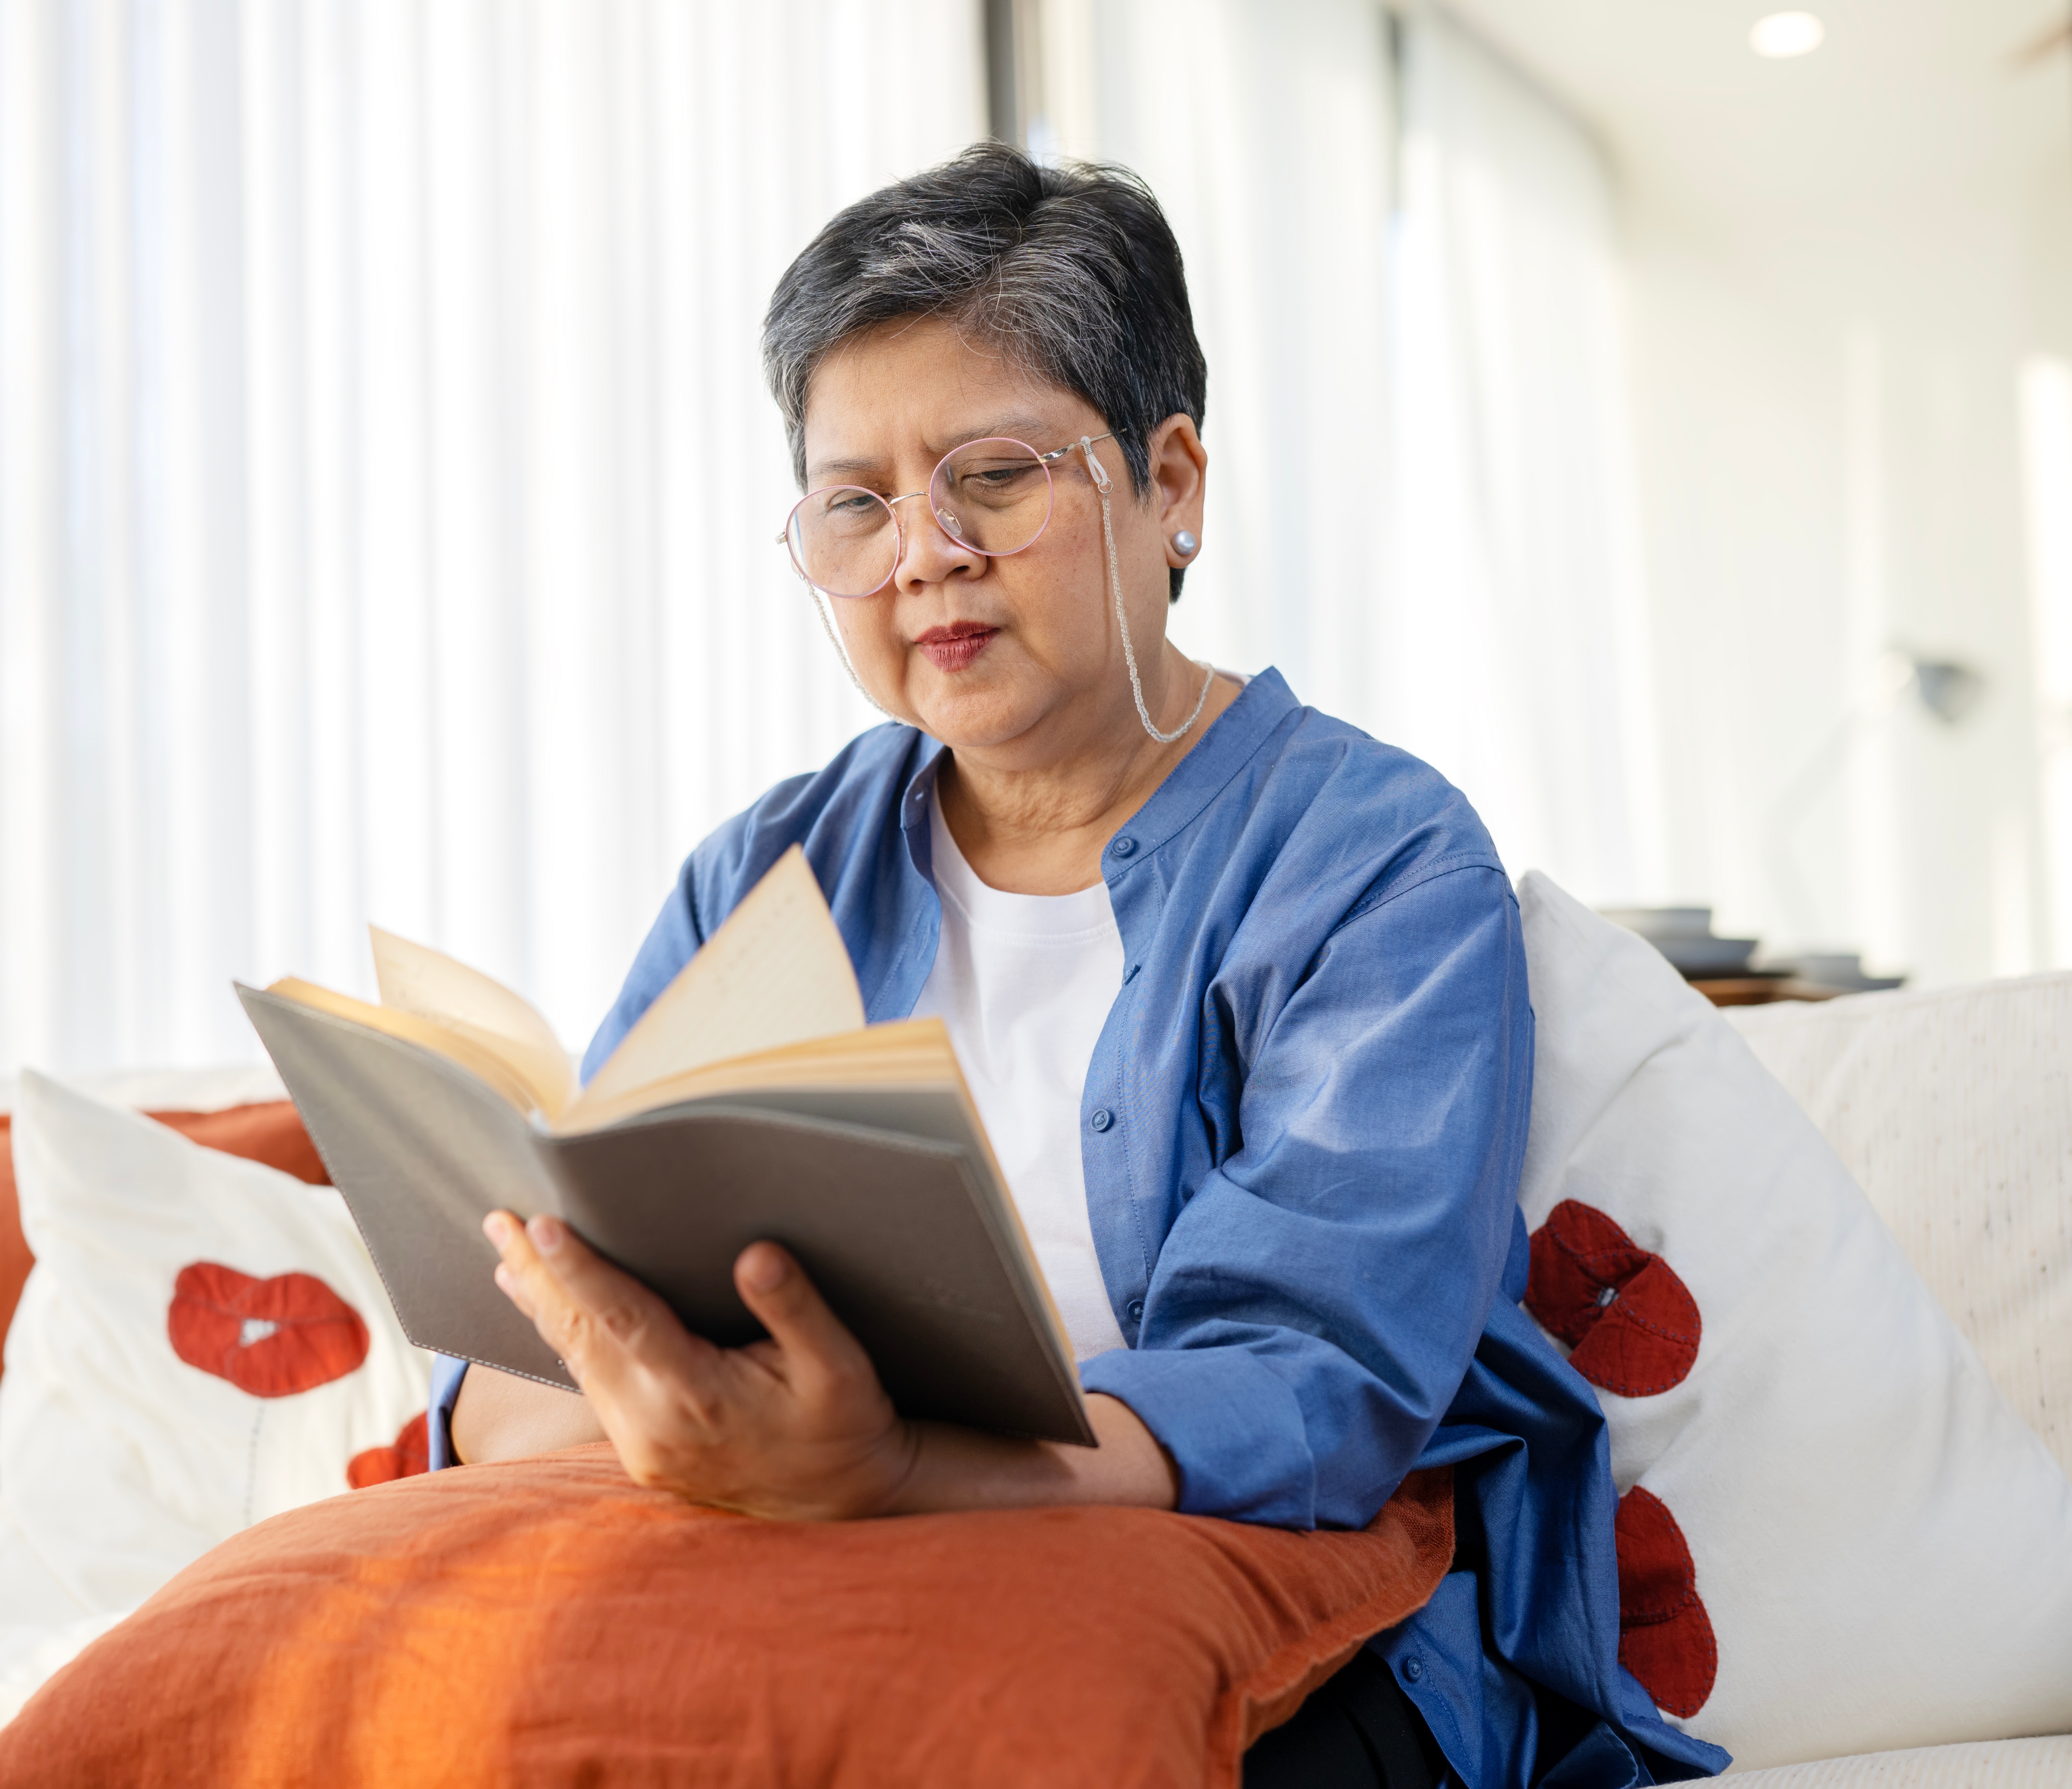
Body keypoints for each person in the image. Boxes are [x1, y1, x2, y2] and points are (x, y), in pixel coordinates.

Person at [426, 144, 1724, 1789]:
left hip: (1272, 1605)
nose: (924, 553)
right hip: (797, 1558)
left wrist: (886, 1464)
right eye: (857, 501)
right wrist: (639, 1401)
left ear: (1172, 484)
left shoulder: (1374, 860)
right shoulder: (767, 875)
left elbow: (1310, 1389)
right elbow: (553, 1329)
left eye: (994, 474)